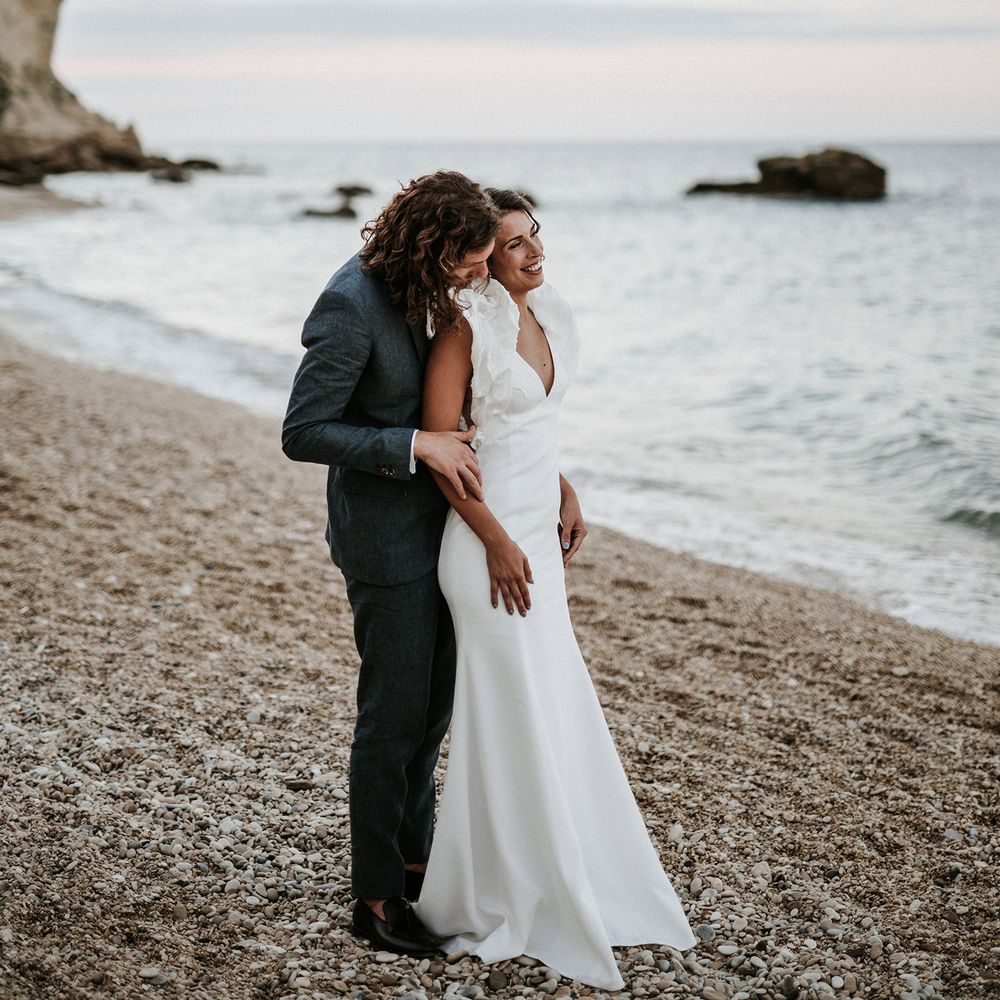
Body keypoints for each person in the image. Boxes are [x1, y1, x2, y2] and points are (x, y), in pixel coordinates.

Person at [414, 189, 698, 990]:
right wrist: (498, 541)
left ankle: (569, 871)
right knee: (508, 708)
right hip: (484, 545)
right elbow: (446, 451)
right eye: (513, 245)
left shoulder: (548, 316)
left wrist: (565, 489)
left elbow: (528, 424)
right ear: (481, 256)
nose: (535, 253)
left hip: (537, 529)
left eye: (535, 236)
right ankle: (502, 893)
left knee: (551, 696)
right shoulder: (463, 329)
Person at [281, 171, 502, 958]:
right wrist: (415, 445)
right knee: (392, 718)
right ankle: (374, 897)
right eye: (472, 260)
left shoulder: (432, 286)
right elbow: (304, 431)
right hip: (383, 541)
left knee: (434, 711)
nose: (481, 274)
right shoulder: (350, 303)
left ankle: (416, 862)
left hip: (445, 534)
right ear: (434, 246)